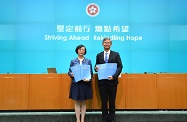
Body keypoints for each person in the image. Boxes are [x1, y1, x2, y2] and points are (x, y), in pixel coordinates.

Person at [95, 37, 123, 122]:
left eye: (108, 42)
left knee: (112, 100)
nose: (107, 44)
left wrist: (114, 76)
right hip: (102, 82)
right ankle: (104, 118)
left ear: (111, 44)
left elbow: (120, 66)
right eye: (105, 42)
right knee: (103, 101)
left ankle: (111, 118)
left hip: (112, 81)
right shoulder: (99, 55)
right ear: (102, 44)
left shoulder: (116, 54)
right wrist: (95, 68)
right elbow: (97, 66)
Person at [68, 44, 93, 122]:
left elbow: (91, 72)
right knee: (77, 102)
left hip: (85, 83)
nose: (81, 51)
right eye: (80, 49)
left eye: (83, 50)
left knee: (84, 101)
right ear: (77, 50)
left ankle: (82, 120)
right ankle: (78, 120)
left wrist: (88, 79)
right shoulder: (73, 61)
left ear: (85, 51)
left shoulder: (88, 61)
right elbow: (69, 71)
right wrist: (71, 74)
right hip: (76, 83)